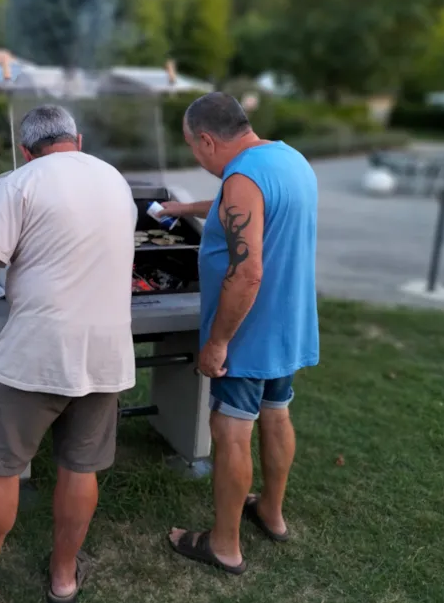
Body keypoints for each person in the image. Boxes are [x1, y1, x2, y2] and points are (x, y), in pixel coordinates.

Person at [0, 105, 137, 603]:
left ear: (24, 152)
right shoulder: (116, 181)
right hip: (106, 354)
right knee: (80, 467)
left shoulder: (23, 182)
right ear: (78, 139)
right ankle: (64, 578)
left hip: (36, 354)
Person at [162, 93, 318, 575]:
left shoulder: (243, 177)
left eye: (193, 147)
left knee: (230, 432)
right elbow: (247, 203)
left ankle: (224, 545)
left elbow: (246, 273)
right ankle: (270, 511)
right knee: (277, 415)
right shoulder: (287, 159)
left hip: (248, 332)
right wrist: (186, 205)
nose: (196, 156)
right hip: (287, 323)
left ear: (207, 139)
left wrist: (217, 343)